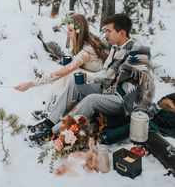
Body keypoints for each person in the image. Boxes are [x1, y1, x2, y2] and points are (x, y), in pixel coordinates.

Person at [25, 13, 155, 143]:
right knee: (74, 83)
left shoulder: (138, 51)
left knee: (90, 100)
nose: (106, 35)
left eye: (109, 31)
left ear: (121, 32)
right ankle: (49, 122)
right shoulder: (115, 47)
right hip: (108, 89)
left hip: (123, 99)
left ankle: (53, 132)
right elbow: (105, 72)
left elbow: (145, 82)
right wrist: (85, 77)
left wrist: (142, 107)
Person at [14, 14, 108, 111]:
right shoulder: (80, 41)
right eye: (67, 30)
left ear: (79, 31)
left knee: (68, 74)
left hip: (97, 84)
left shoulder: (87, 51)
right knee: (67, 74)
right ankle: (54, 104)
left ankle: (58, 107)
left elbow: (63, 72)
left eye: (70, 30)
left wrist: (31, 84)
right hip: (87, 78)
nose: (68, 33)